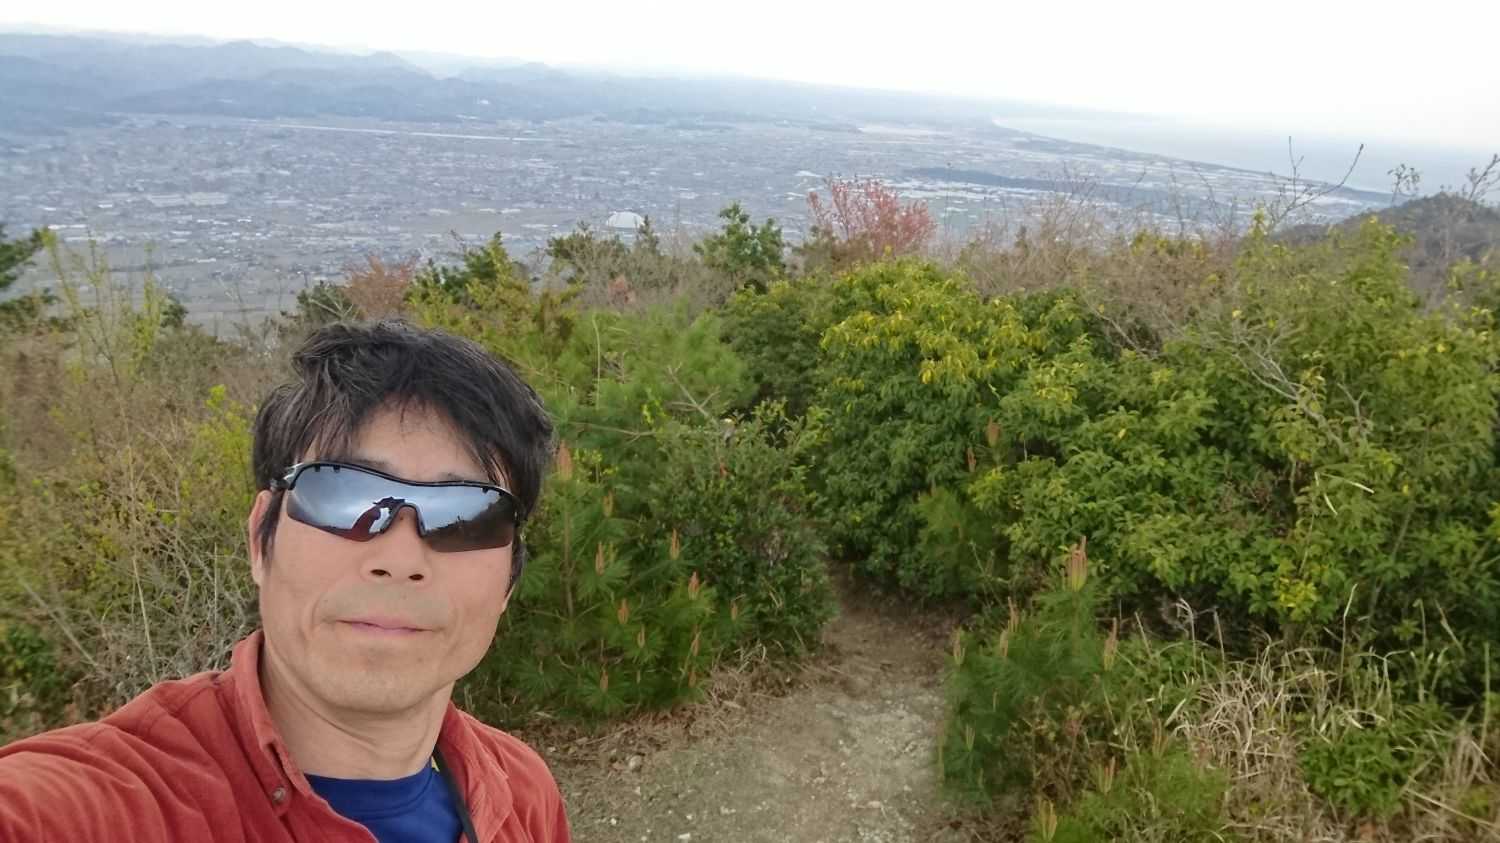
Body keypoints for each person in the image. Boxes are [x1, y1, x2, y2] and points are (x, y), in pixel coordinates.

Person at [0, 321, 570, 842]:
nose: (400, 559)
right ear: (260, 539)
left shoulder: (520, 795)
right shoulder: (100, 808)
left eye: (466, 516)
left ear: (508, 579)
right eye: (341, 493)